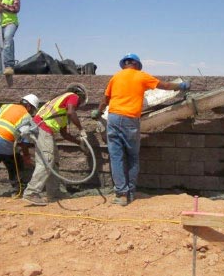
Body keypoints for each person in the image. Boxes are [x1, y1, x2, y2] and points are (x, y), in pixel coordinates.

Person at [91, 53, 189, 206]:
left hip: (114, 118)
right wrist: (181, 86)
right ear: (136, 64)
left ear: (124, 64)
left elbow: (105, 99)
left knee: (116, 157)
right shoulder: (141, 76)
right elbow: (166, 86)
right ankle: (130, 192)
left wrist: (98, 111)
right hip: (130, 119)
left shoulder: (115, 77)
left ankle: (121, 194)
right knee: (132, 157)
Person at [22, 83, 89, 206]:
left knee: (54, 161)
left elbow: (64, 134)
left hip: (44, 130)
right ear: (80, 96)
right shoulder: (72, 96)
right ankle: (31, 192)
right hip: (43, 129)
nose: (77, 106)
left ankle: (54, 192)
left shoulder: (60, 108)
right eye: (79, 104)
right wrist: (81, 129)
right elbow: (71, 112)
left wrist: (79, 143)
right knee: (46, 161)